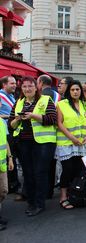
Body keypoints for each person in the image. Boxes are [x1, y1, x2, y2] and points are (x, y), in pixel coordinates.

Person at [8, 77, 57, 216]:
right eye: (24, 87)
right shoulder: (18, 102)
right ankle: (31, 202)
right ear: (21, 89)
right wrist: (17, 119)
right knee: (28, 173)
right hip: (23, 143)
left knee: (40, 172)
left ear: (37, 88)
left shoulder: (46, 100)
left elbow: (52, 119)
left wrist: (34, 116)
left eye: (30, 86)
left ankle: (40, 203)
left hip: (43, 143)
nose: (27, 89)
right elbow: (10, 125)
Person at [56, 80, 86, 209]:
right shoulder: (61, 104)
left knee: (78, 169)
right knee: (67, 169)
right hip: (66, 143)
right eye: (72, 90)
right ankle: (63, 196)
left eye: (77, 89)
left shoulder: (84, 104)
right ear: (68, 91)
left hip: (81, 143)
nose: (75, 92)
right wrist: (72, 138)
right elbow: (59, 123)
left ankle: (75, 193)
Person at [0, 76, 20, 195]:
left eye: (15, 83)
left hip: (12, 130)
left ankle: (13, 183)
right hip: (5, 131)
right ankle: (11, 185)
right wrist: (11, 117)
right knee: (9, 158)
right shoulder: (1, 96)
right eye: (12, 83)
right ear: (4, 85)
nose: (15, 85)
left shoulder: (11, 96)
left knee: (12, 158)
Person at [0, 101, 14, 230]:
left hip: (2, 164)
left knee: (4, 191)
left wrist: (10, 158)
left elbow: (5, 142)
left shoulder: (1, 122)